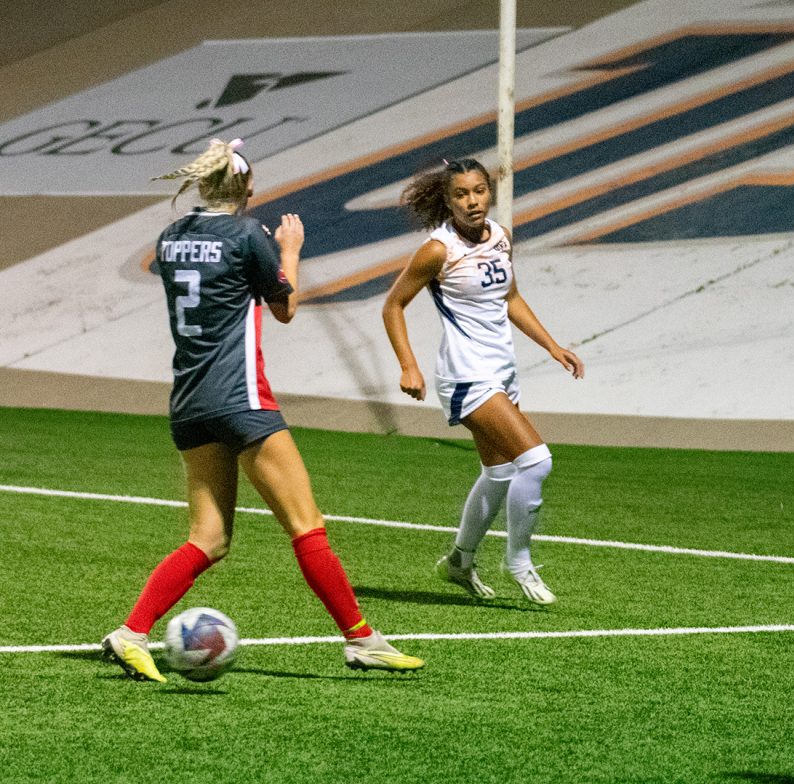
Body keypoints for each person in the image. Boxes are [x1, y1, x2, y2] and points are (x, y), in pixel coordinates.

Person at [101, 138, 424, 682]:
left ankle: (131, 633)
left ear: (202, 184)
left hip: (189, 400)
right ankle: (362, 640)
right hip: (240, 398)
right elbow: (286, 308)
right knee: (307, 526)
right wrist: (290, 249)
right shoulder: (249, 234)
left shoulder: (170, 237)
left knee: (208, 538)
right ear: (248, 189)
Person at [382, 159, 583, 605]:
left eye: (479, 191)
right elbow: (393, 305)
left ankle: (459, 560)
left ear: (488, 192)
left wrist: (551, 345)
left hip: (501, 372)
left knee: (498, 473)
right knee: (536, 461)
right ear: (448, 200)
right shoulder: (439, 250)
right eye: (461, 194)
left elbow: (509, 296)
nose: (472, 201)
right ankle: (519, 561)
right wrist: (408, 365)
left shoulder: (500, 236)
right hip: (466, 377)